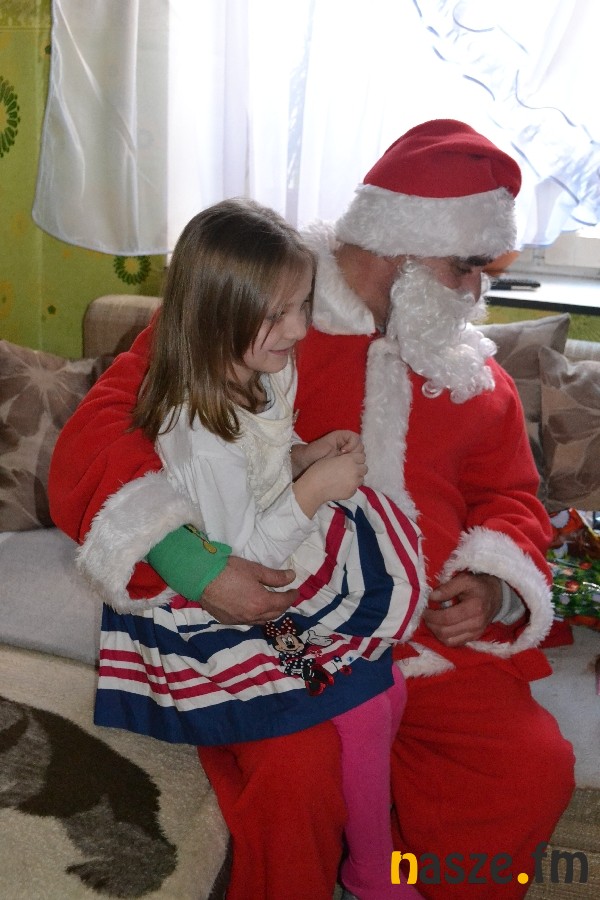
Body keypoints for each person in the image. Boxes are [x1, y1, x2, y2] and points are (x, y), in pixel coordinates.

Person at [49, 120, 575, 900]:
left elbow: (512, 497)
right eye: (464, 266)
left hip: (429, 642)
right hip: (276, 629)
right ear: (400, 246)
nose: (475, 292)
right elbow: (105, 430)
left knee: (528, 768)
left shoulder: (472, 373)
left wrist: (495, 583)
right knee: (298, 774)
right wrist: (197, 565)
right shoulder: (256, 316)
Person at [57, 198, 425, 900]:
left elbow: (265, 456)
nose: (301, 328)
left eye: (303, 306)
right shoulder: (199, 432)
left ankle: (368, 863)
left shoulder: (257, 367)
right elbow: (246, 552)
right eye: (280, 313)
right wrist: (313, 489)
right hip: (220, 627)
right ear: (219, 314)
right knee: (352, 700)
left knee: (379, 686)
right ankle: (371, 870)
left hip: (267, 599)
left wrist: (301, 456)